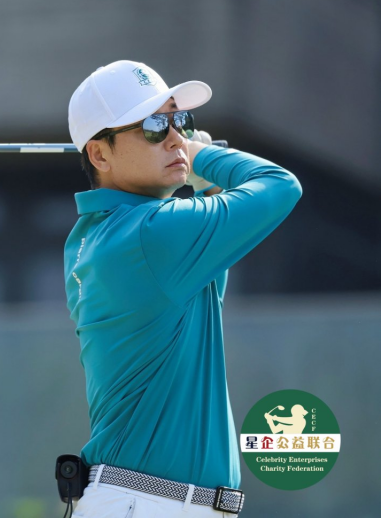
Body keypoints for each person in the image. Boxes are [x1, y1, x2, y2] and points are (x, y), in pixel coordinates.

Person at [63, 60, 302, 517]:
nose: (175, 137)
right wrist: (201, 156)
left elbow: (204, 289)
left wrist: (201, 187)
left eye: (180, 121)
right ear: (100, 155)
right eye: (154, 127)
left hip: (145, 501)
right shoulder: (149, 234)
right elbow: (280, 185)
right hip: (150, 503)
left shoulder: (94, 237)